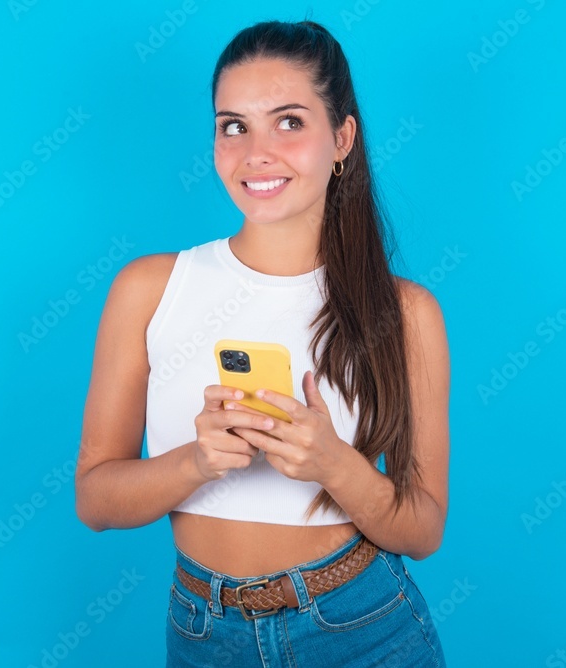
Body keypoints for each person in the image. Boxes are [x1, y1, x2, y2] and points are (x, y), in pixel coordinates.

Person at [75, 19, 450, 667]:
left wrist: (333, 463)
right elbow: (96, 500)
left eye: (289, 121)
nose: (257, 152)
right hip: (202, 631)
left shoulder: (407, 312)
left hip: (361, 625)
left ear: (342, 139)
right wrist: (199, 460)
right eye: (234, 125)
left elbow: (421, 529)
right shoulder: (147, 287)